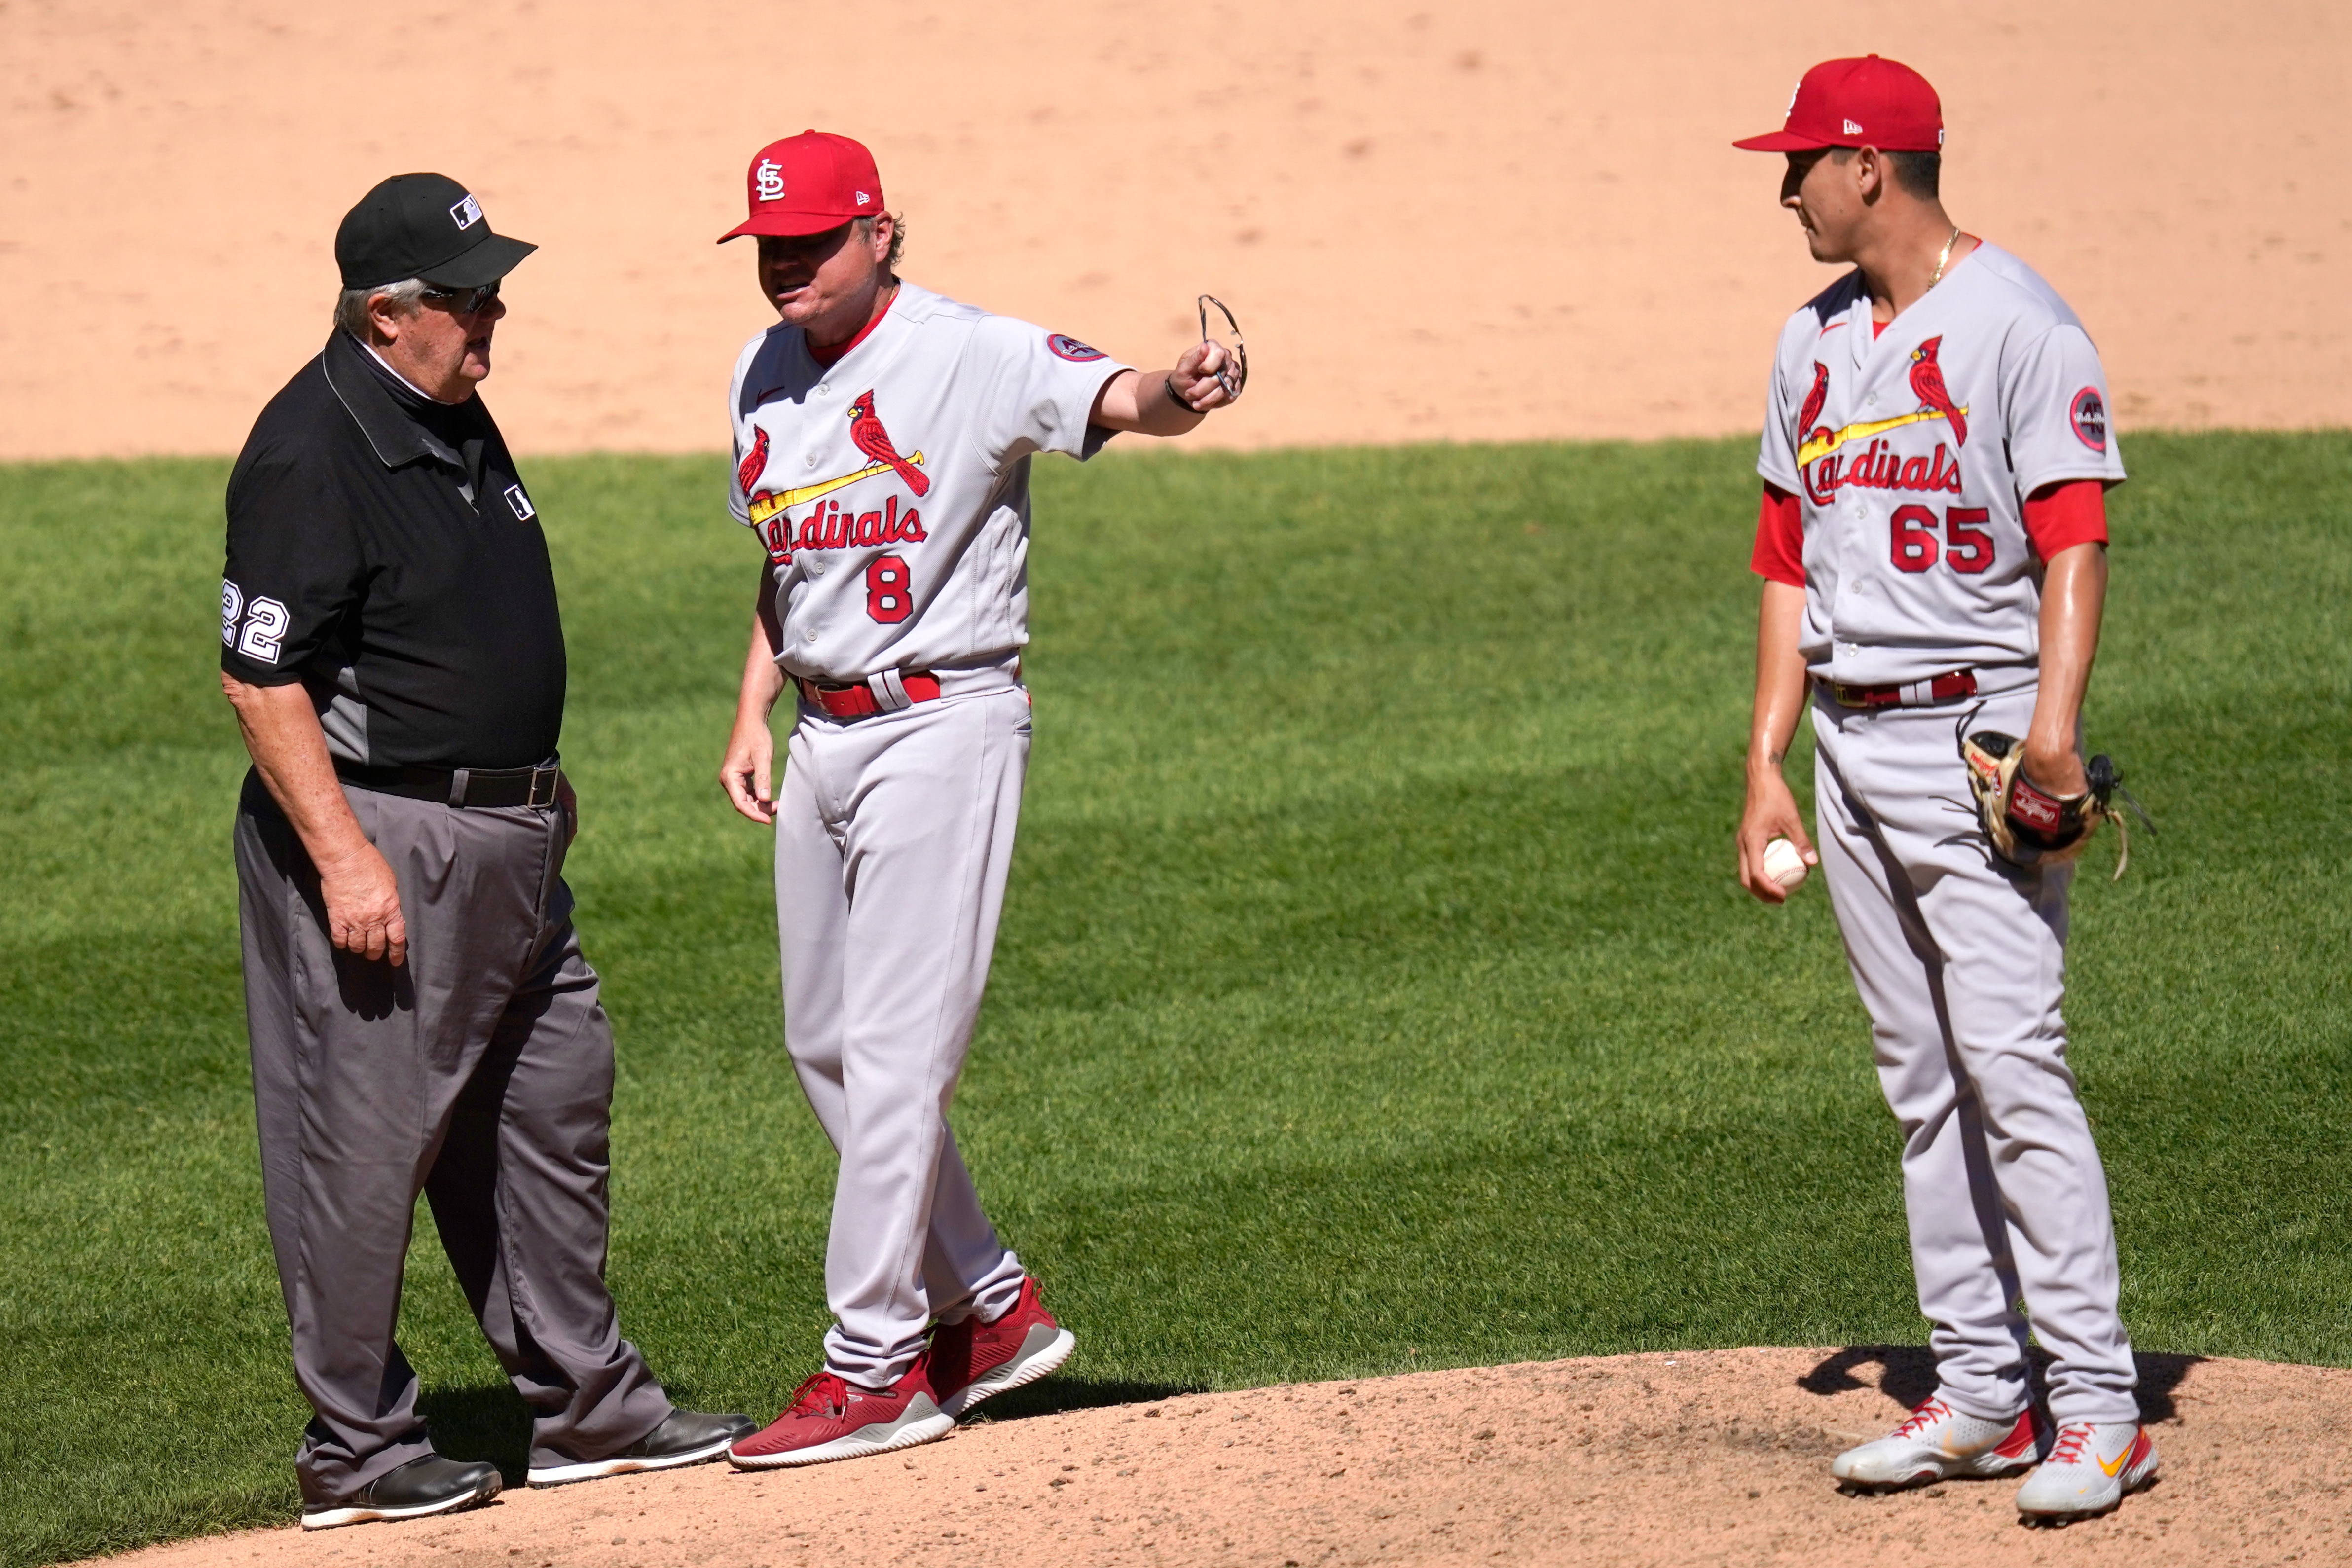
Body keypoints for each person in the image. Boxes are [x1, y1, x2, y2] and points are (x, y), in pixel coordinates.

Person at [220, 173, 751, 1529]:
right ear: (386, 312)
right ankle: (355, 1443)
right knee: (366, 1142)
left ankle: (590, 1406)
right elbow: (261, 678)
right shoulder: (312, 447)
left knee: (555, 1096)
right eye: (468, 297)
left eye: (494, 289)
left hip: (507, 837)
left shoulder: (447, 407)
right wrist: (344, 860)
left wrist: (534, 785)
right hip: (391, 838)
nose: (493, 315)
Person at [711, 131, 1239, 1468]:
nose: (787, 267)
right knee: (824, 1044)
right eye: (770, 246)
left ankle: (875, 1358)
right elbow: (791, 559)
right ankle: (990, 1304)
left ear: (879, 233)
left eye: (813, 243)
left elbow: (1123, 399)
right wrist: (751, 707)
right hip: (824, 731)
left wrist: (1183, 384)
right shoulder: (763, 373)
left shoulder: (967, 349)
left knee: (895, 1053)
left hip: (943, 727)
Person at [1730, 57, 2157, 1522]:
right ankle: (1981, 1390)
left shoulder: (2019, 327)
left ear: (1869, 167)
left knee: (2013, 1070)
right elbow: (1787, 558)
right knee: (1922, 1084)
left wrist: (2054, 729)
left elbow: (2076, 535)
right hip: (1846, 748)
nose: (1784, 188)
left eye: (1800, 163)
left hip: (1971, 742)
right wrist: (1767, 760)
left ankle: (2101, 1408)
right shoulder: (1810, 343)